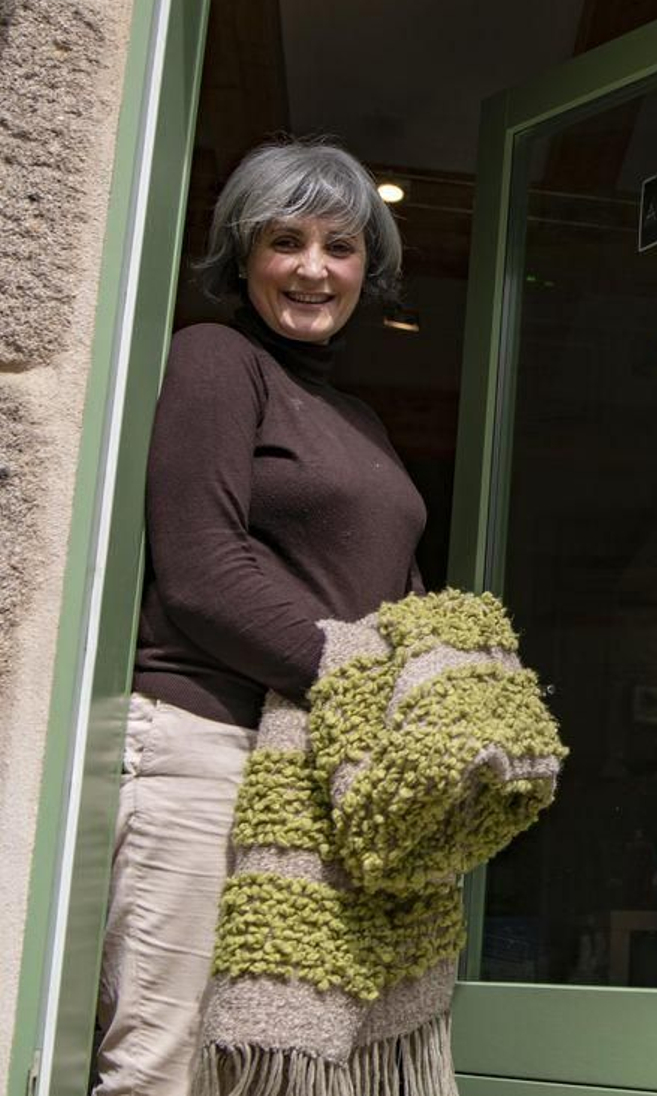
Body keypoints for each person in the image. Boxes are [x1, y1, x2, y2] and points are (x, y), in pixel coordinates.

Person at [93, 140, 425, 1096]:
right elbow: (204, 573)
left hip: (316, 770)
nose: (314, 269)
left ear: (368, 268)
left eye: (340, 246)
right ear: (243, 257)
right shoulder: (215, 360)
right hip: (206, 750)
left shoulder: (359, 419)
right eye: (286, 241)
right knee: (167, 1064)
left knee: (272, 1073)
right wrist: (366, 679)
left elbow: (396, 595)